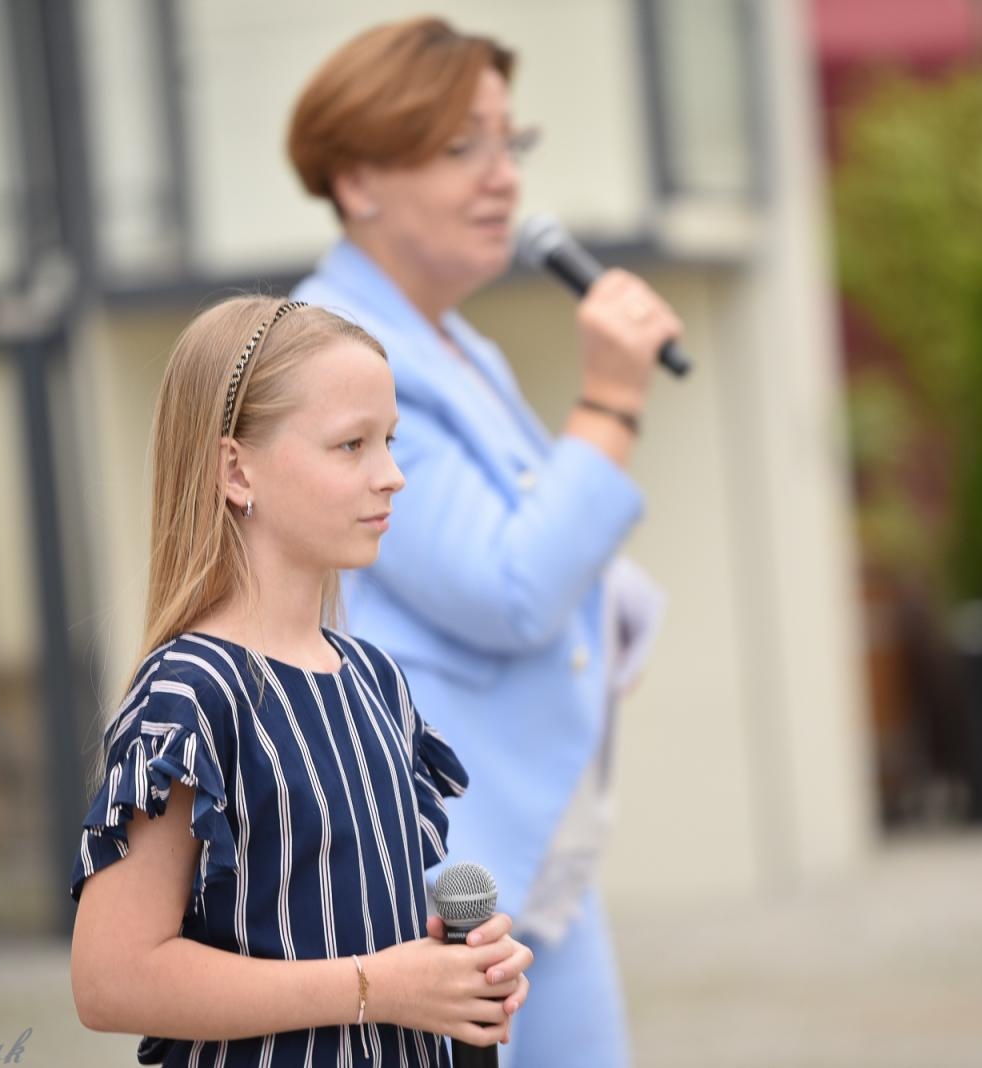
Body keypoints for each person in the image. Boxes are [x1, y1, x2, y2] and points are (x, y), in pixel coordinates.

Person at [287, 18, 679, 1066]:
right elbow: (510, 588)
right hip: (435, 884)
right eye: (463, 148)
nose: (503, 177)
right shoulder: (335, 354)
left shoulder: (451, 342)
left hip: (528, 855)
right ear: (359, 179)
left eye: (512, 143)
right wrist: (609, 399)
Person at [68, 297, 532, 1067]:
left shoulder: (373, 680)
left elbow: (330, 925)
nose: (392, 476)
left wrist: (449, 969)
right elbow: (111, 979)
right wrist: (372, 988)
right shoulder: (191, 693)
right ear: (236, 469)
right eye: (351, 445)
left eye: (389, 441)